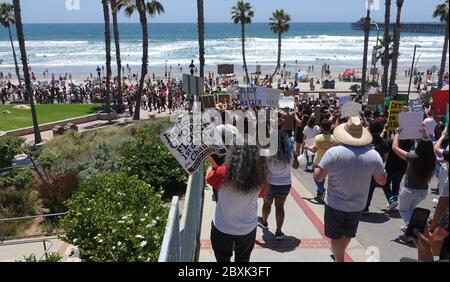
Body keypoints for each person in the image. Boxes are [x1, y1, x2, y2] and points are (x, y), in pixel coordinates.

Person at [314, 117, 387, 262]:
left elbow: (319, 177)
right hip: (358, 204)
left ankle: (339, 258)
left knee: (335, 236)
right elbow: (382, 180)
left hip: (335, 203)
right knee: (348, 233)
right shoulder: (373, 155)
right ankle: (338, 252)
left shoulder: (334, 152)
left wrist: (317, 170)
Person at [206, 137, 268, 262]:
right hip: (247, 229)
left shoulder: (222, 172)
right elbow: (262, 194)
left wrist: (213, 168)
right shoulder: (260, 177)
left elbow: (209, 179)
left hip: (222, 227)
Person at [258, 117, 299, 240]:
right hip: (285, 184)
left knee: (267, 203)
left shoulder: (266, 152)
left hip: (270, 183)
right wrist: (295, 156)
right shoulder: (289, 154)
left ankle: (264, 223)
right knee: (280, 207)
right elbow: (296, 166)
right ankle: (279, 232)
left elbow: (261, 167)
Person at [392, 126, 436, 226]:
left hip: (409, 190)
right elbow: (430, 147)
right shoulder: (432, 159)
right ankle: (416, 228)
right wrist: (425, 133)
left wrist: (397, 134)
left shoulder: (414, 158)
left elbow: (395, 148)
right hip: (423, 191)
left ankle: (414, 230)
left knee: (403, 210)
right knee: (410, 210)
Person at [304, 119, 339, 203]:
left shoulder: (318, 138)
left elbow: (314, 150)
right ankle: (321, 194)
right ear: (330, 127)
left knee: (317, 178)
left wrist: (307, 147)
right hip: (332, 162)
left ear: (321, 128)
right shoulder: (334, 138)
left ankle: (323, 192)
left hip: (319, 161)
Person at [364, 120, 390, 213]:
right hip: (375, 170)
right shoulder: (384, 143)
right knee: (370, 189)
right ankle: (366, 207)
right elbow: (386, 157)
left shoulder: (364, 140)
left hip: (363, 167)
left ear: (370, 129)